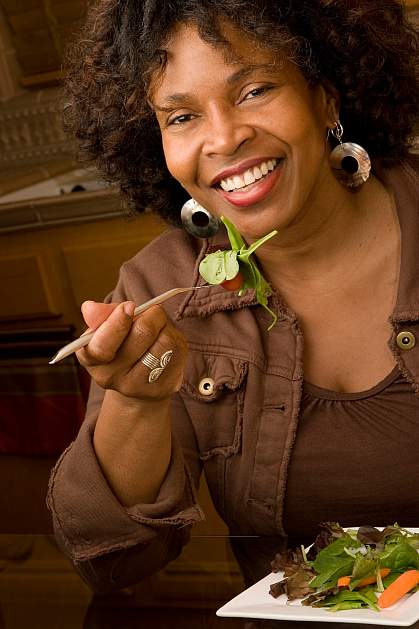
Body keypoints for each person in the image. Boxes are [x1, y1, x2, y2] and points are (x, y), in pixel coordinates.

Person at [47, 0, 419, 621]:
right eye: (182, 115)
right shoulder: (160, 285)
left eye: (255, 90)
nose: (223, 138)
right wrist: (137, 404)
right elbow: (109, 560)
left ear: (326, 98)